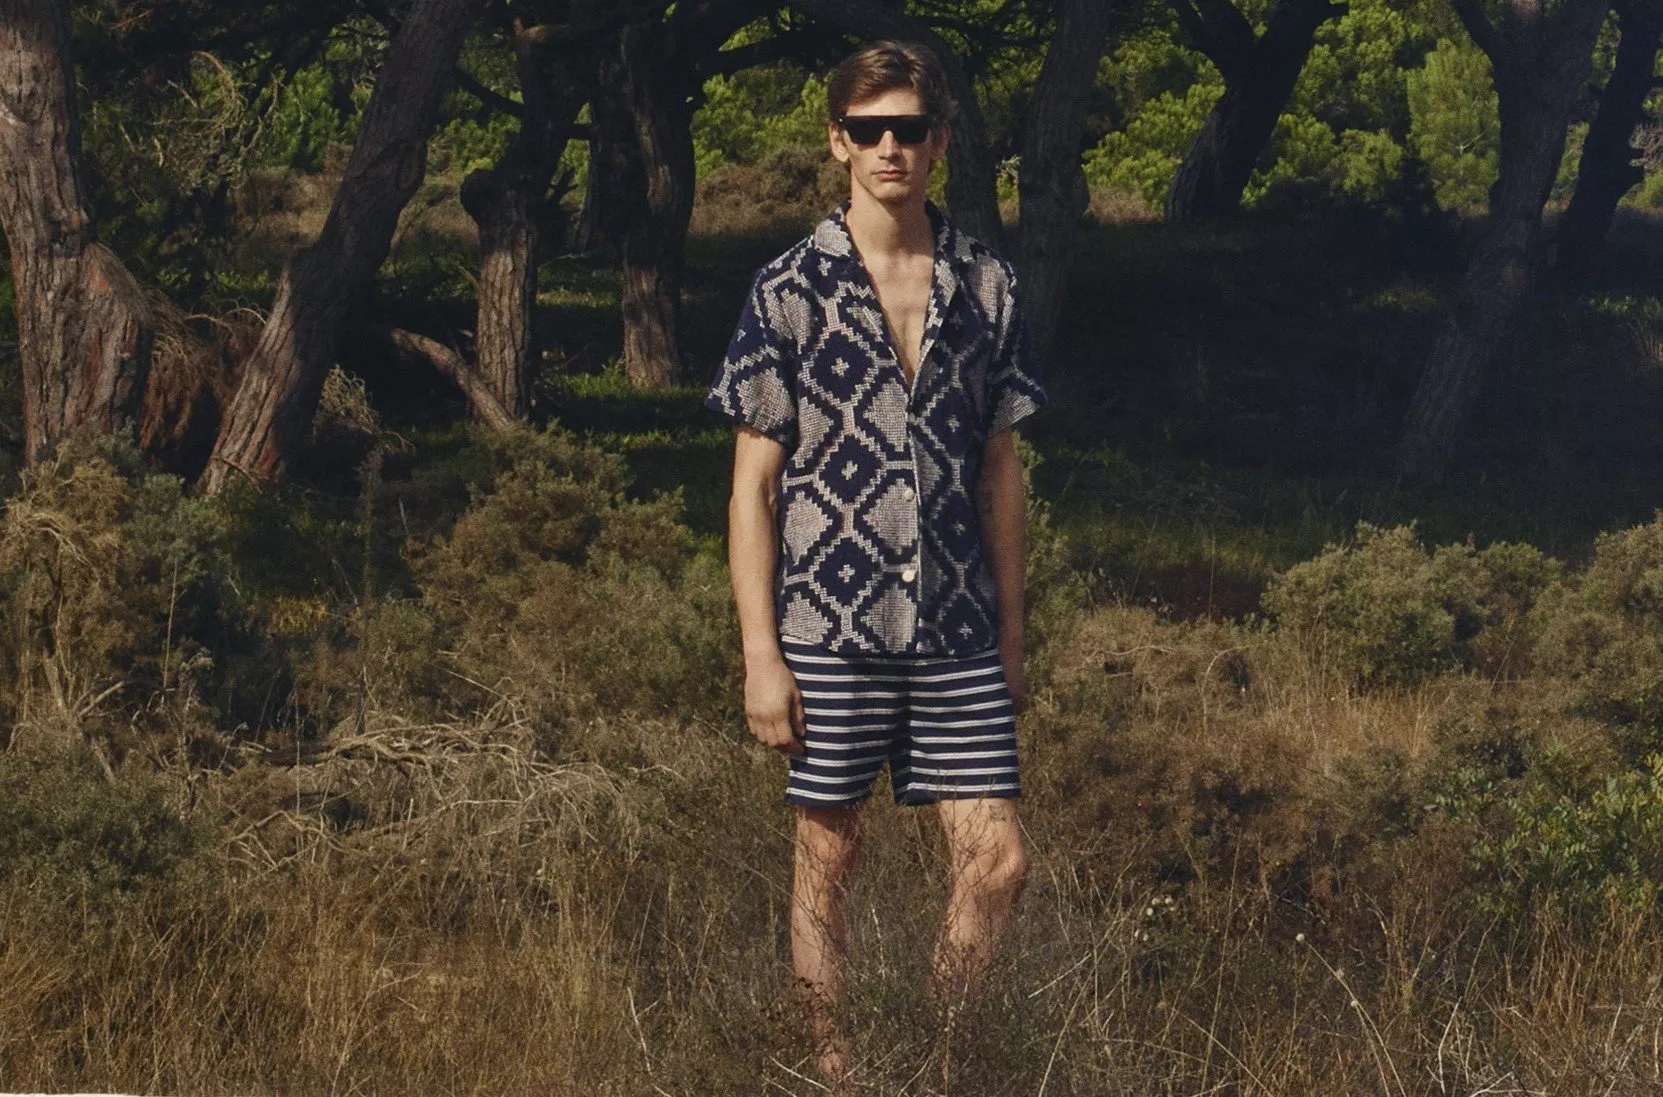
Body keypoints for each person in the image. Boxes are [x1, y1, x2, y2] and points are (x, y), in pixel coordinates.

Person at [704, 39, 1047, 1087]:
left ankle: (939, 1060)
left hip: (953, 630)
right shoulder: (788, 288)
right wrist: (762, 655)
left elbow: (1000, 471)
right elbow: (751, 489)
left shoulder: (987, 282)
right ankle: (835, 1070)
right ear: (836, 139)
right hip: (827, 628)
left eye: (908, 128)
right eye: (868, 129)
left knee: (998, 860)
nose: (888, 147)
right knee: (828, 860)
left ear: (939, 141)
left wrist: (1010, 632)